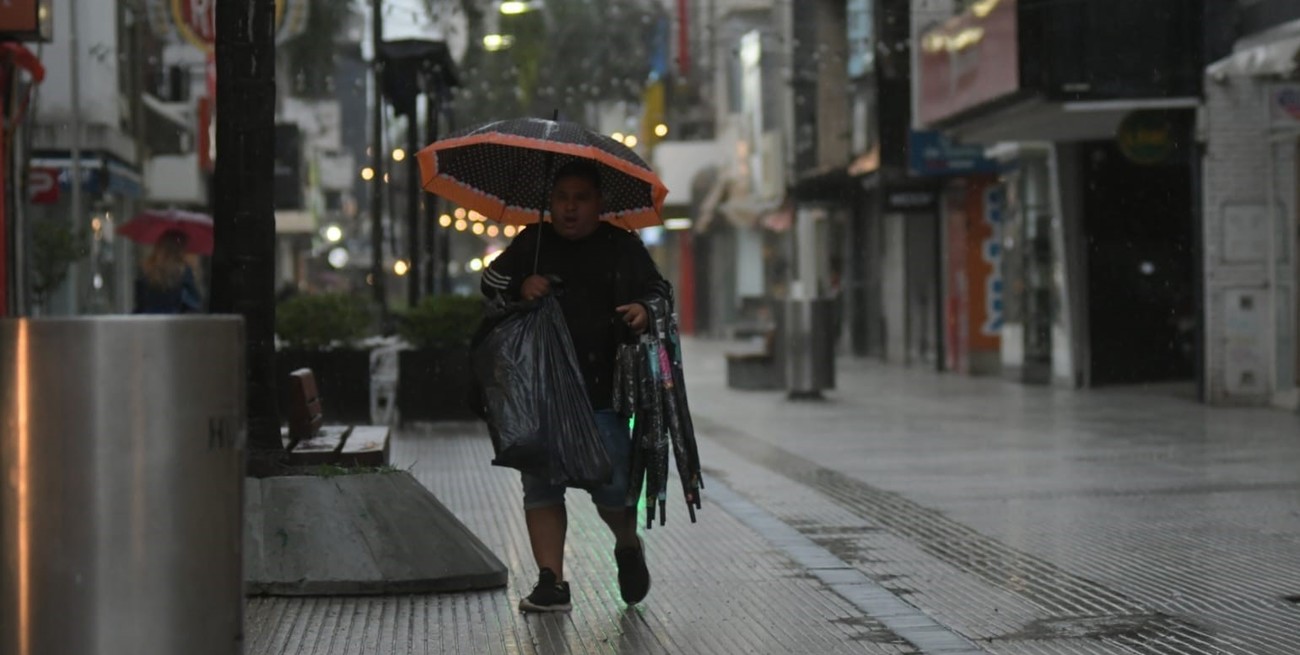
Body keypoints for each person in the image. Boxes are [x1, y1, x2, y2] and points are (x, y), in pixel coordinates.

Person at [481, 159, 672, 613]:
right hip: (540, 394)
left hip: (603, 392)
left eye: (580, 198)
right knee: (541, 486)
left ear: (598, 203)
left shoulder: (621, 247)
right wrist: (519, 284)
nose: (569, 208)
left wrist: (644, 310)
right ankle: (551, 581)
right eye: (561, 198)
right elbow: (489, 282)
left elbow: (660, 291)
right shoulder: (533, 242)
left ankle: (626, 543)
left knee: (611, 486)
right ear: (550, 203)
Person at [133, 230, 203, 314]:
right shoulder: (184, 272)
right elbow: (192, 304)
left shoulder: (147, 270)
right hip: (174, 323)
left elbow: (140, 303)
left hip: (148, 321)